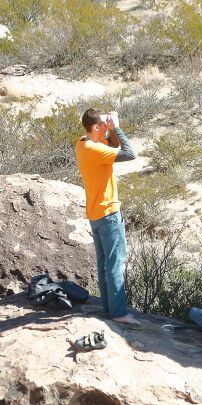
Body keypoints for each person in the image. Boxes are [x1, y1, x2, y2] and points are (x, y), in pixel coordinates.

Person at [75, 109, 139, 325]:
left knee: (104, 263)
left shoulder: (83, 143)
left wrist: (108, 128)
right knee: (115, 263)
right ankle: (119, 313)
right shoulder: (95, 149)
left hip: (95, 213)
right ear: (95, 128)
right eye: (102, 124)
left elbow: (111, 147)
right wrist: (117, 128)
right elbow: (130, 153)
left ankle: (109, 308)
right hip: (109, 213)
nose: (106, 126)